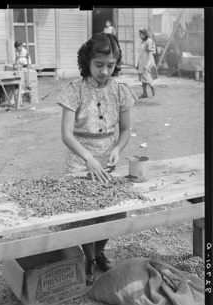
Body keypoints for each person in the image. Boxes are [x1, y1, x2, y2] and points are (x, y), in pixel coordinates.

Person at [56, 33, 137, 286]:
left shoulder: (121, 91)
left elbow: (125, 130)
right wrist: (88, 158)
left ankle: (98, 251)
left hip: (108, 162)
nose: (104, 71)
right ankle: (89, 259)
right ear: (87, 62)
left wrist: (118, 150)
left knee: (112, 214)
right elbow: (66, 135)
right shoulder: (74, 90)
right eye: (98, 65)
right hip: (80, 160)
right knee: (83, 215)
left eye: (110, 65)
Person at [136, 28, 158, 98]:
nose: (139, 36)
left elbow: (150, 53)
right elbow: (141, 54)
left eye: (140, 34)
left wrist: (147, 64)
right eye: (139, 34)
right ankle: (144, 93)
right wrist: (138, 63)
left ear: (144, 34)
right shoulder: (142, 42)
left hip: (148, 61)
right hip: (142, 61)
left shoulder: (149, 41)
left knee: (146, 77)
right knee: (142, 77)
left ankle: (152, 87)